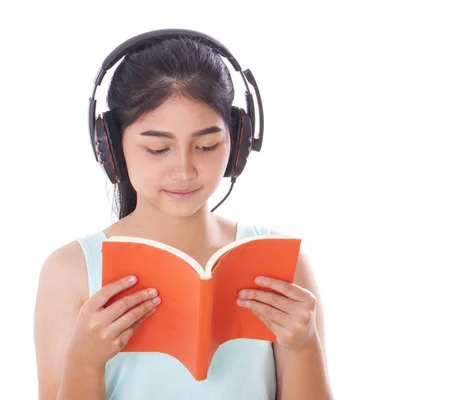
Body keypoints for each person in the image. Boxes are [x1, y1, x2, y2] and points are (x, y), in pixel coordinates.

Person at [33, 30, 333, 400]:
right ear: (110, 147)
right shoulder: (70, 272)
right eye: (158, 149)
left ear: (238, 143)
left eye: (206, 145)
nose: (184, 170)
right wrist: (84, 360)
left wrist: (303, 345)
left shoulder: (284, 264)